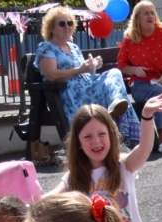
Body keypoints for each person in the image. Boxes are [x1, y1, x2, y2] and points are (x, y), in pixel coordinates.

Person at [58, 99, 162, 222]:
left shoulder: (123, 165)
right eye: (88, 137)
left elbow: (145, 148)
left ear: (111, 135)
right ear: (79, 144)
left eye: (102, 134)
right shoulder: (74, 177)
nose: (96, 141)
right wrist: (30, 194)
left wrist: (147, 115)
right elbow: (50, 199)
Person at [36, 6, 137, 140]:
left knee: (114, 72)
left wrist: (93, 65)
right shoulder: (47, 47)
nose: (67, 27)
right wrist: (80, 69)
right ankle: (129, 133)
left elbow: (85, 72)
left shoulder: (74, 47)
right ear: (52, 28)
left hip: (89, 88)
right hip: (70, 94)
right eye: (62, 24)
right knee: (115, 81)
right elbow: (51, 75)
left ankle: (116, 103)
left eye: (70, 23)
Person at [116, 1, 162, 154]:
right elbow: (122, 65)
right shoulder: (130, 38)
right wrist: (134, 69)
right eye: (146, 13)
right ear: (137, 18)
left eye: (152, 13)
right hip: (141, 83)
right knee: (158, 92)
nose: (150, 16)